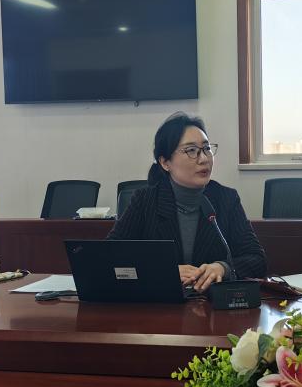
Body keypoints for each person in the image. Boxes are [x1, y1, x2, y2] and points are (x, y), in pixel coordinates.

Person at [108, 113, 267, 291]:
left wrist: (224, 268)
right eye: (191, 150)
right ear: (165, 162)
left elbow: (257, 259)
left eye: (206, 148)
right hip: (159, 302)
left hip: (211, 303)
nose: (204, 158)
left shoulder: (226, 199)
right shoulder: (144, 201)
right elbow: (111, 257)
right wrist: (163, 271)